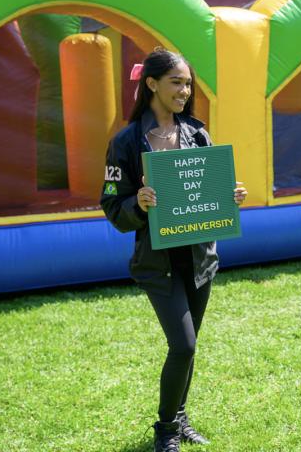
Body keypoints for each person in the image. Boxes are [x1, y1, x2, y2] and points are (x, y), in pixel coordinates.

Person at [100, 48, 247, 452]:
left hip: (200, 259)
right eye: (176, 82)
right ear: (151, 84)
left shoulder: (197, 133)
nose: (185, 91)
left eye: (187, 83)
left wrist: (229, 195)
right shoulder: (125, 143)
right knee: (182, 344)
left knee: (189, 346)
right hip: (157, 262)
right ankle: (165, 431)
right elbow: (113, 205)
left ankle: (180, 420)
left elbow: (208, 190)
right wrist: (138, 204)